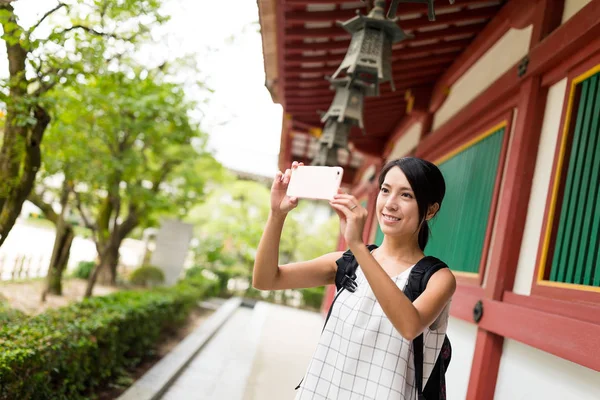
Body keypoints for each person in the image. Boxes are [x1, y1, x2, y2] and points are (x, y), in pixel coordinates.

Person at [253, 157, 456, 400]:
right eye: (385, 190)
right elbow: (266, 280)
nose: (390, 204)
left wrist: (358, 245)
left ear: (431, 210)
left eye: (406, 195)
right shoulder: (347, 262)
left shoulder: (437, 278)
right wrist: (277, 214)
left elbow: (409, 326)